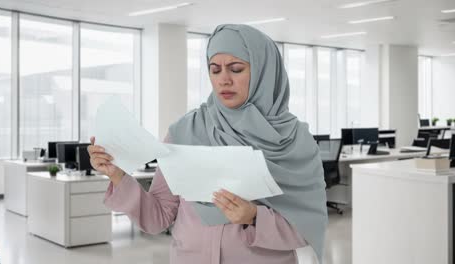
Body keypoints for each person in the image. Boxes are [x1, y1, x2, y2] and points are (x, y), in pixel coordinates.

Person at [88, 24, 327, 264]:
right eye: (215, 70)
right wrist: (118, 175)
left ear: (264, 72)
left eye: (236, 69)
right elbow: (158, 216)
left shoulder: (295, 140)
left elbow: (308, 226)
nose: (224, 79)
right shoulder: (185, 131)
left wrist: (254, 216)